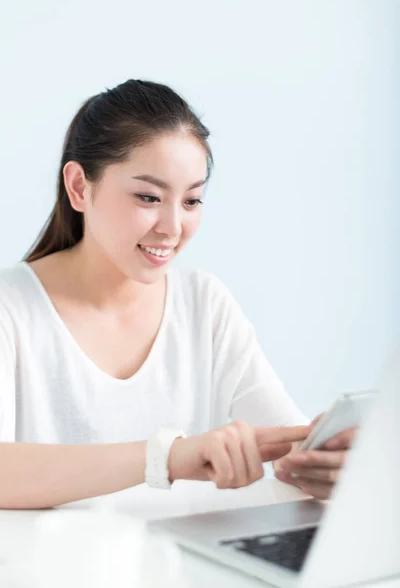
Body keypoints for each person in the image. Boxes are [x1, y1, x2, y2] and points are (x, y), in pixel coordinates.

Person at [0, 79, 353, 509]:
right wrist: (167, 458)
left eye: (191, 201)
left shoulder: (204, 304)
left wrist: (325, 462)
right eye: (148, 197)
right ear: (79, 187)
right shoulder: (11, 309)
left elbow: (289, 443)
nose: (171, 227)